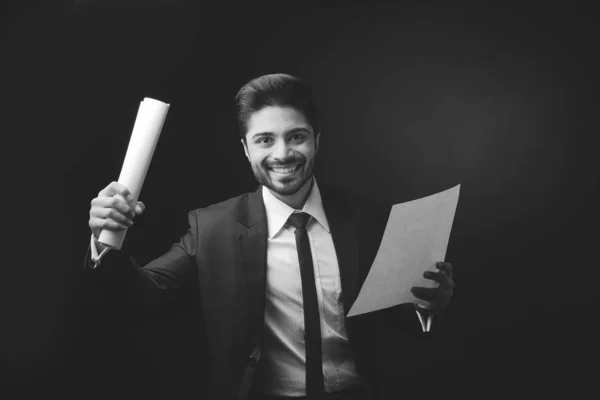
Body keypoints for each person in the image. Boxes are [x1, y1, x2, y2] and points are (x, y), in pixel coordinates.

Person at [86, 73, 455, 400]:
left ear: (317, 142)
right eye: (265, 140)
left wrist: (426, 305)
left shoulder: (366, 221)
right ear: (246, 149)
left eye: (296, 136)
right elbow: (144, 293)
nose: (283, 154)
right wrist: (107, 239)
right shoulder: (212, 227)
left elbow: (395, 323)